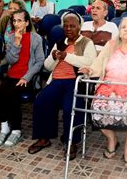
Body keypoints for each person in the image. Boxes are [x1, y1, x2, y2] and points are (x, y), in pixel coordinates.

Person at [79, 17, 127, 170]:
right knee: (96, 111)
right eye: (123, 27)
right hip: (109, 87)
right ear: (119, 32)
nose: (126, 29)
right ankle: (112, 140)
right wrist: (91, 70)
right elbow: (99, 62)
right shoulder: (111, 45)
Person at [28, 11, 97, 160]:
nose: (68, 29)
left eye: (72, 26)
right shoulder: (59, 42)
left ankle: (71, 141)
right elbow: (47, 66)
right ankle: (44, 138)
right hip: (57, 80)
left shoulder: (86, 42)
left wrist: (67, 56)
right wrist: (53, 57)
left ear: (79, 27)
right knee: (41, 101)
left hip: (75, 81)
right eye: (65, 26)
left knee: (69, 107)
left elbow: (90, 62)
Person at [0, 9, 45, 147]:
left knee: (11, 94)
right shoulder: (11, 37)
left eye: (19, 20)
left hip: (27, 77)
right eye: (14, 21)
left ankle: (16, 130)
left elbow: (40, 61)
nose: (16, 24)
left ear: (27, 22)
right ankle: (4, 128)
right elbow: (10, 60)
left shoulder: (36, 38)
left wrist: (27, 77)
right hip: (12, 75)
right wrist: (16, 43)